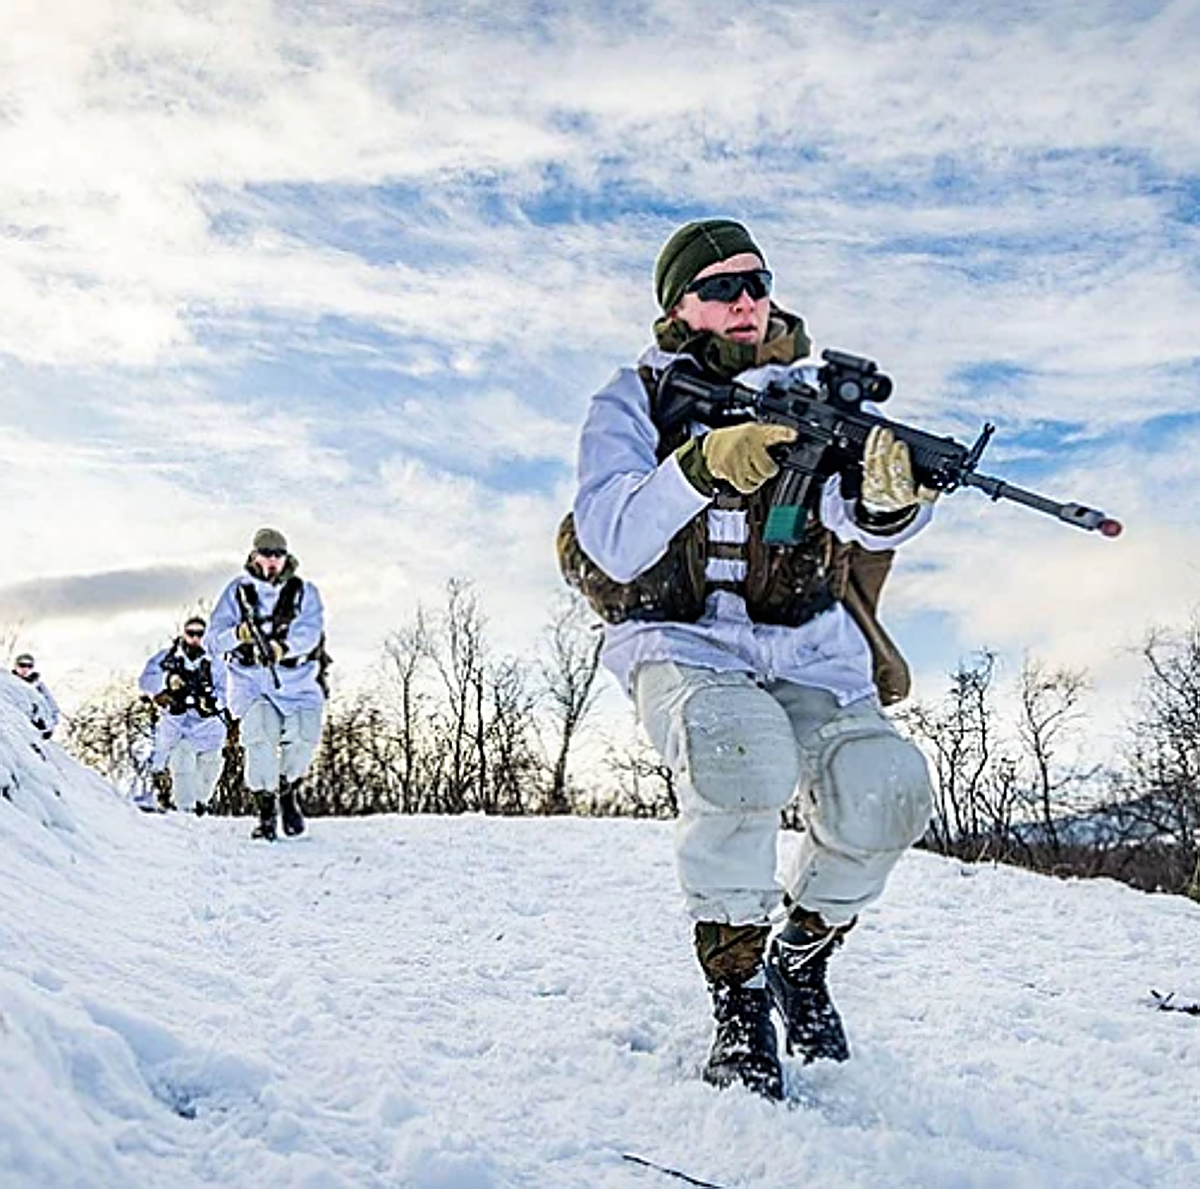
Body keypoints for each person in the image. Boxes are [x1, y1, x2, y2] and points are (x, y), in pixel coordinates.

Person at [561, 219, 936, 1100]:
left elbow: (865, 516)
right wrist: (700, 463)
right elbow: (609, 538)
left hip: (807, 645)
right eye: (721, 287)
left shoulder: (815, 396)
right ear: (678, 305)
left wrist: (890, 499)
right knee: (738, 753)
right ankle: (737, 999)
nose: (745, 302)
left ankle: (797, 959)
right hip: (680, 638)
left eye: (757, 284)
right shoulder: (633, 400)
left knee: (887, 792)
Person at [206, 528, 327, 841]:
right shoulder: (237, 591)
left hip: (297, 680)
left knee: (303, 740)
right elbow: (212, 641)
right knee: (259, 738)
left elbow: (310, 632)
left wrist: (282, 648)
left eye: (278, 555)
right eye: (266, 554)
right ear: (254, 555)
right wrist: (238, 635)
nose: (272, 561)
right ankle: (265, 813)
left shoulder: (303, 591)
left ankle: (286, 790)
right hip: (251, 682)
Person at [137, 616, 229, 814]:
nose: (195, 638)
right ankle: (185, 809)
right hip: (177, 724)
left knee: (210, 769)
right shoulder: (166, 658)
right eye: (191, 633)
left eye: (200, 634)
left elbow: (227, 692)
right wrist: (167, 680)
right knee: (182, 760)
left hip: (209, 726)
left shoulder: (216, 662)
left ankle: (200, 802)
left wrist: (212, 702)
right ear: (184, 634)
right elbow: (145, 681)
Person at [11, 653, 60, 739]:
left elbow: (52, 708)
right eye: (22, 665)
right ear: (16, 666)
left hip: (35, 730)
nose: (25, 669)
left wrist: (49, 727)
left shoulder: (38, 686)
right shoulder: (9, 684)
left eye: (29, 666)